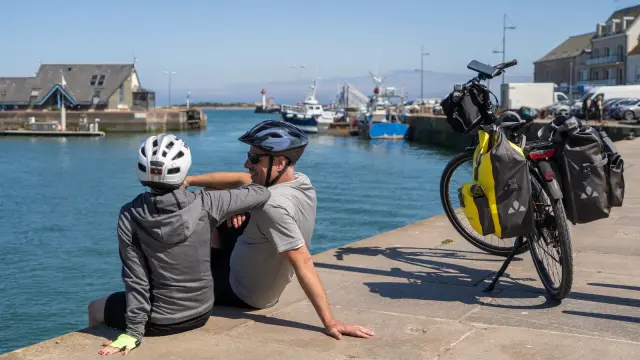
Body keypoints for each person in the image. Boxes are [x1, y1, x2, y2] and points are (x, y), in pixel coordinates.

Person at [184, 120, 375, 340]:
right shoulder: (301, 181)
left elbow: (302, 261)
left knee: (202, 206)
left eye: (254, 158)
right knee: (215, 192)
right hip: (257, 267)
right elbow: (241, 179)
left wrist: (330, 322)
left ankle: (207, 255)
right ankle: (216, 240)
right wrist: (189, 181)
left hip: (242, 291)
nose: (247, 163)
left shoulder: (270, 204)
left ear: (280, 163)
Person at [87, 133, 271, 355]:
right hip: (202, 312)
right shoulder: (207, 203)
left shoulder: (130, 214)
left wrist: (134, 333)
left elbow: (135, 279)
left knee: (95, 307)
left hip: (160, 320)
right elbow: (259, 190)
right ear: (183, 169)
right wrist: (200, 184)